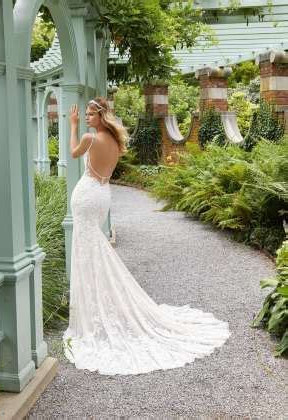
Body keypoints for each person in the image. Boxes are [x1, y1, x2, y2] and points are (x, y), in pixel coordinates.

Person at [62, 97, 231, 376]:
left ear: (102, 117)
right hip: (102, 196)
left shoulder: (90, 139)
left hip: (87, 196)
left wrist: (73, 125)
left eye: (92, 115)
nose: (89, 118)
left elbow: (72, 153)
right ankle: (99, 301)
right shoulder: (115, 142)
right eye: (88, 115)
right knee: (95, 248)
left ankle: (93, 308)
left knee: (88, 248)